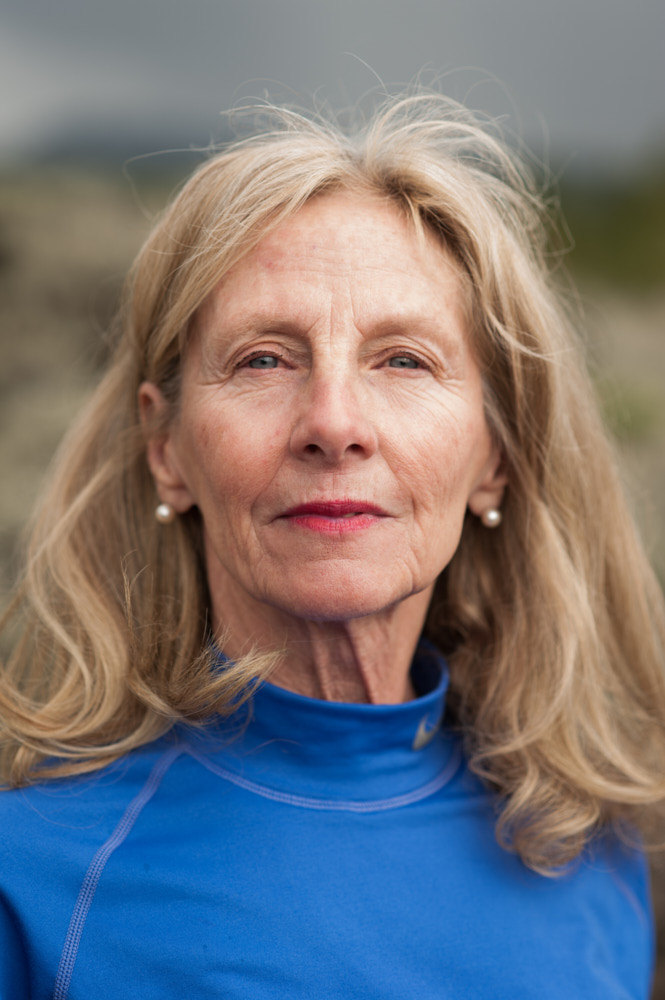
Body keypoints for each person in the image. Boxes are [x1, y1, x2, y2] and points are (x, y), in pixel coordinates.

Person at [1, 94, 664, 999]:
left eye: (403, 360)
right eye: (264, 359)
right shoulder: (31, 885)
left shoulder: (596, 847)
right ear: (167, 452)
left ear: (495, 459)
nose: (333, 423)